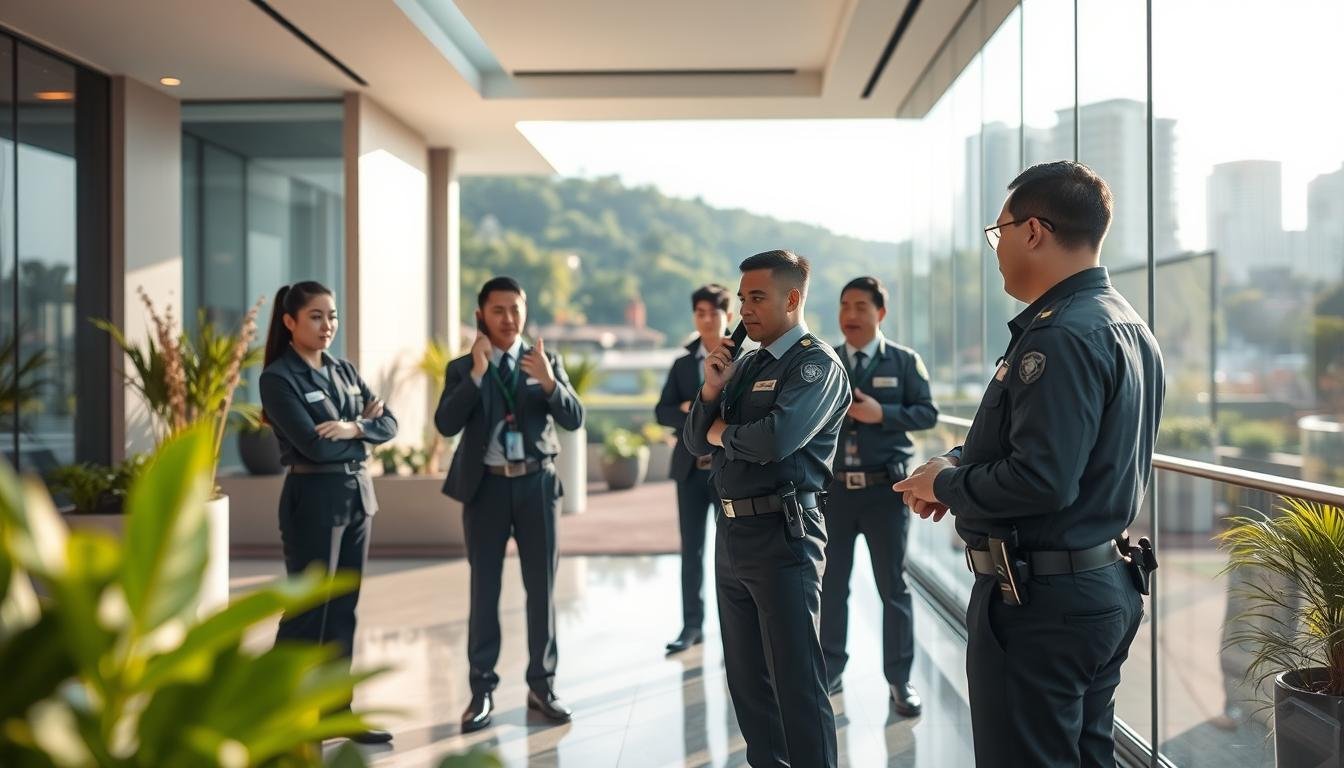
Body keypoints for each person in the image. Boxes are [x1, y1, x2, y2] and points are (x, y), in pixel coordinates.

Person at [895, 161, 1164, 767]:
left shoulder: (1060, 335)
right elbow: (1036, 446)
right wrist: (954, 468)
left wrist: (948, 483)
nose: (997, 248)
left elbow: (1041, 478)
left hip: (1042, 603)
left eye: (1000, 231)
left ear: (1034, 232)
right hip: (1099, 585)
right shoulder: (1127, 324)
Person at [685, 249, 850, 768]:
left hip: (785, 535)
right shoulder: (745, 362)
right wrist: (712, 388)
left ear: (793, 298)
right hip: (732, 534)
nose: (745, 309)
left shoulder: (815, 364)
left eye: (757, 298)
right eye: (742, 298)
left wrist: (720, 433)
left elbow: (775, 439)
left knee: (796, 684)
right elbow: (694, 440)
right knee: (748, 682)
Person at [435, 276, 585, 733]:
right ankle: (481, 691)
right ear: (482, 314)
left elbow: (574, 418)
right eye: (498, 310)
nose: (508, 318)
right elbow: (445, 423)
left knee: (541, 589)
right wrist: (478, 377)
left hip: (536, 485)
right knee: (485, 590)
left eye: (516, 309)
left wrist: (550, 384)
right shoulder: (464, 367)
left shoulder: (544, 359)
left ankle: (542, 686)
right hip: (486, 489)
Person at [259, 280, 398, 745]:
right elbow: (313, 448)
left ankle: (335, 712)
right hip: (313, 500)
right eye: (316, 316)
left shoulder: (343, 369)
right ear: (290, 322)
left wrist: (353, 427)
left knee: (343, 611)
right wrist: (363, 435)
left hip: (358, 499)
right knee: (308, 613)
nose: (327, 326)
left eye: (332, 316)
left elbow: (390, 423)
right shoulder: (278, 379)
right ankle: (278, 713)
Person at [820, 276, 937, 715]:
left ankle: (900, 680)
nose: (850, 315)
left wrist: (880, 414)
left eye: (861, 307)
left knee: (894, 587)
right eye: (844, 305)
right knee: (832, 586)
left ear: (880, 313)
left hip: (886, 493)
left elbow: (926, 412)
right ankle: (830, 670)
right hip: (835, 493)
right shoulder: (826, 361)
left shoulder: (905, 362)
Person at [655, 282, 734, 655]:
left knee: (731, 553)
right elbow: (662, 411)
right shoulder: (683, 363)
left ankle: (734, 630)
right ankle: (691, 626)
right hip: (689, 471)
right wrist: (691, 410)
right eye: (700, 313)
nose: (706, 319)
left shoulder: (745, 358)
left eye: (713, 313)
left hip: (729, 471)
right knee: (692, 551)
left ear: (727, 316)